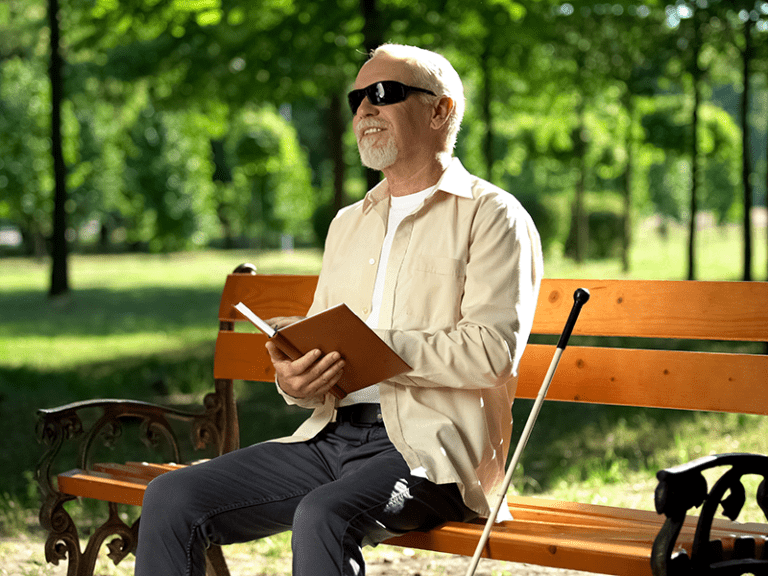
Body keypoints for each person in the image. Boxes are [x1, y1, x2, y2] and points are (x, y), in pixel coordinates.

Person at [135, 43, 543, 576]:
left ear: (441, 110)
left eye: (383, 94)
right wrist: (298, 379)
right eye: (357, 98)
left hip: (432, 455)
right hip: (330, 435)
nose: (364, 110)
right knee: (171, 496)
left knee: (323, 514)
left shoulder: (492, 216)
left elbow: (492, 352)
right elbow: (321, 342)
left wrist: (376, 345)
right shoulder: (348, 223)